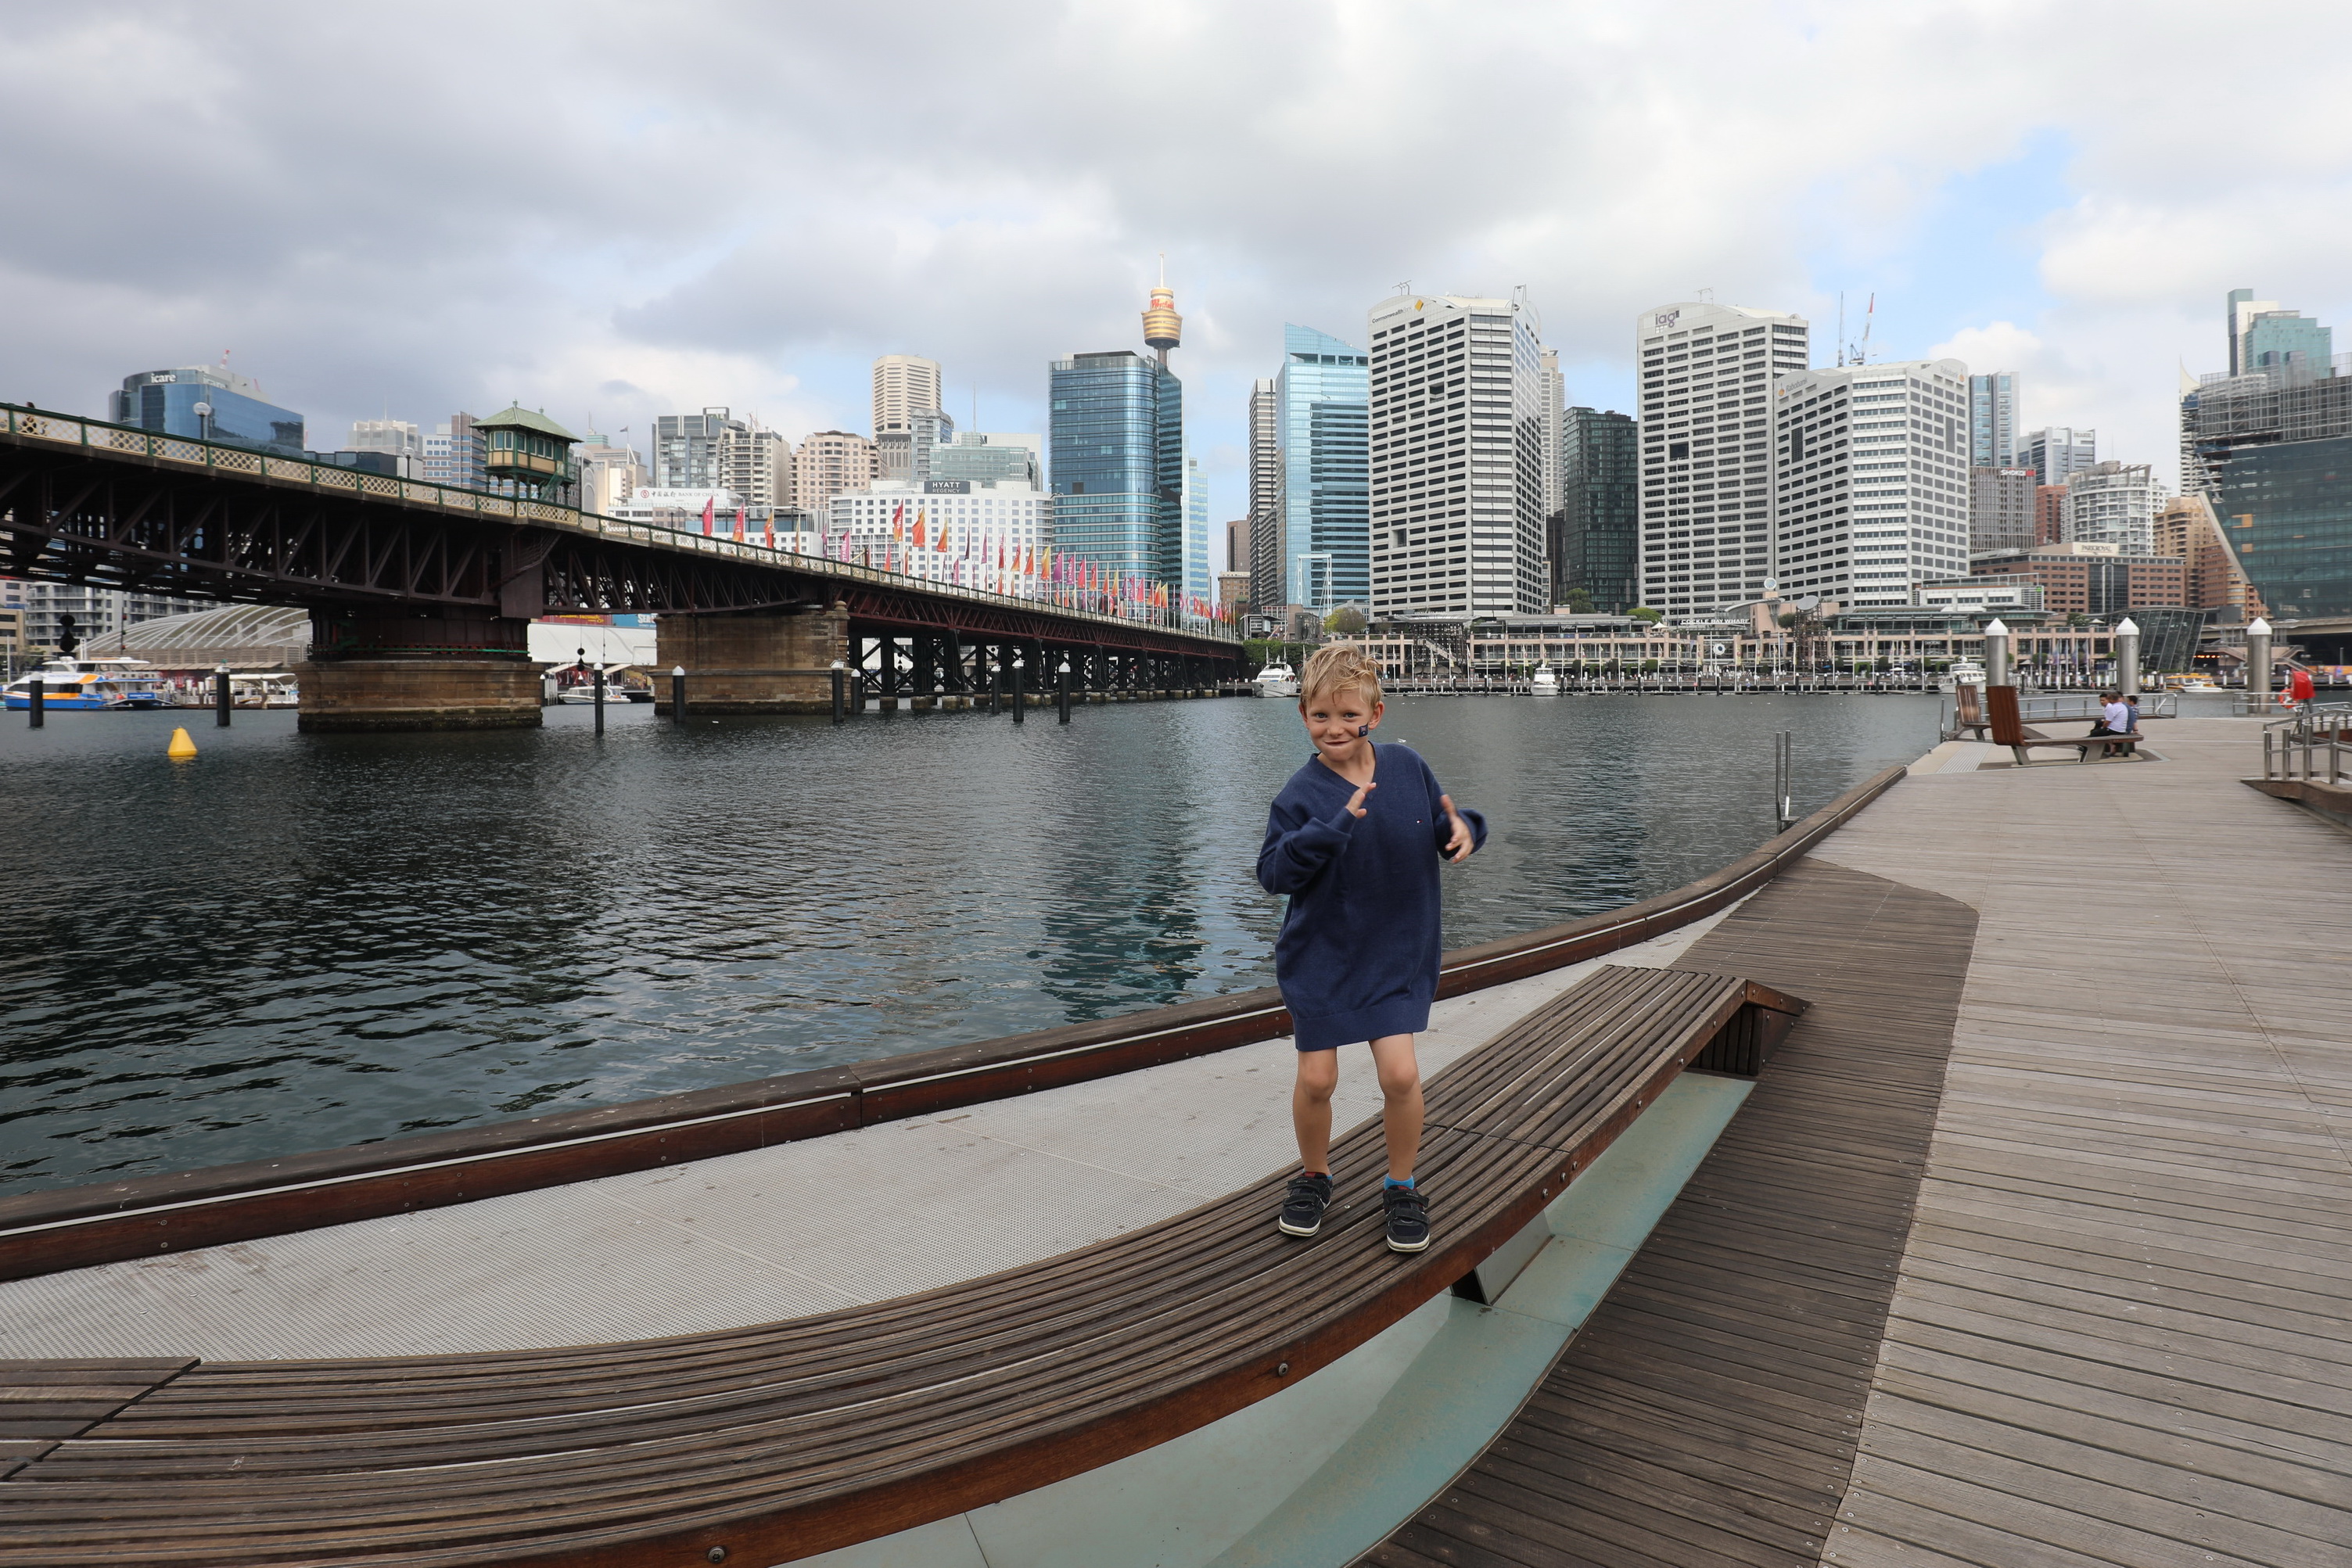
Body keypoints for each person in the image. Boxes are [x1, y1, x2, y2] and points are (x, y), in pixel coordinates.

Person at [1257, 645, 1486, 1254]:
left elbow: (1444, 823)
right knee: (1316, 1078)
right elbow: (1273, 873)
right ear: (1303, 714)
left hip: (1394, 953)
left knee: (1400, 1073)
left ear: (1374, 714)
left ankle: (1401, 1184)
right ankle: (1314, 1175)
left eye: (1347, 715)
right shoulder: (1299, 794)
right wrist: (1328, 829)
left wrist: (1464, 829)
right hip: (1321, 957)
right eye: (1320, 716)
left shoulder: (1407, 767)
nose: (1333, 728)